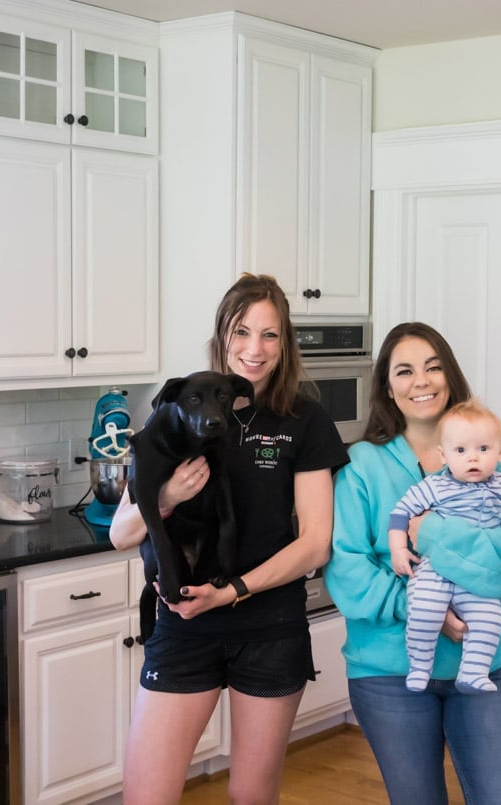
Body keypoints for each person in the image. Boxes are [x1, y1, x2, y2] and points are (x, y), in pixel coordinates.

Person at [110, 273, 348, 805]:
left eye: (270, 335)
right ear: (222, 334)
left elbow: (315, 543)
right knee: (146, 794)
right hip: (183, 625)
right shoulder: (177, 410)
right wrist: (167, 496)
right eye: (242, 332)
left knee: (251, 795)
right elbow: (120, 534)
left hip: (268, 626)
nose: (254, 349)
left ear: (284, 343)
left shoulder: (303, 421)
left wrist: (232, 589)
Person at [325, 322, 501, 804]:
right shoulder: (361, 464)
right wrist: (421, 606)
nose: (420, 381)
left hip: (488, 660)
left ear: (450, 375)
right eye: (404, 371)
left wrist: (432, 533)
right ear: (387, 385)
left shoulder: (492, 456)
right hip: (388, 671)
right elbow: (348, 571)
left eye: (433, 367)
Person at [388, 399, 501, 694]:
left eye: (483, 449)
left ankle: (474, 672)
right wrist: (398, 550)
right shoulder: (435, 486)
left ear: (499, 453)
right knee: (423, 610)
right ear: (443, 456)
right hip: (435, 568)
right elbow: (401, 513)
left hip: (476, 574)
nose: (473, 458)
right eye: (461, 450)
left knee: (488, 618)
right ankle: (420, 665)